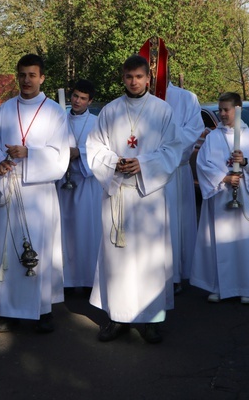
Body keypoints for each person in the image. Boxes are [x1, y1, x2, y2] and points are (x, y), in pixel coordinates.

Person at [86, 54, 182, 343]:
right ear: (123, 78)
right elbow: (94, 147)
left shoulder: (162, 111)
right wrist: (114, 162)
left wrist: (143, 163)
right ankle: (117, 317)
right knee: (119, 261)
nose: (134, 82)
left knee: (149, 258)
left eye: (139, 77)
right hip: (118, 196)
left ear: (148, 78)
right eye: (129, 77)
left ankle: (151, 319)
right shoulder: (110, 111)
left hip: (148, 199)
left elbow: (173, 150)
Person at [0, 54, 70, 333]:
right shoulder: (5, 110)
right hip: (11, 187)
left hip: (40, 193)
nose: (26, 80)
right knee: (9, 250)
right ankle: (8, 311)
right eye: (22, 75)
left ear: (42, 77)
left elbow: (61, 157)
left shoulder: (54, 113)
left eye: (32, 75)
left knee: (41, 249)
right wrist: (0, 162)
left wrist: (29, 153)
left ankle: (43, 311)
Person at [190, 92, 249, 304]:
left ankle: (247, 287)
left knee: (245, 241)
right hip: (220, 196)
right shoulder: (213, 138)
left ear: (238, 109)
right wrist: (224, 177)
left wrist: (245, 163)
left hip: (244, 195)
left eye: (227, 109)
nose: (222, 114)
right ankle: (217, 285)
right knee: (219, 240)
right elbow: (202, 165)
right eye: (220, 110)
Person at [56, 79, 102, 292]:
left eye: (83, 98)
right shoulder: (59, 120)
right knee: (63, 232)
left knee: (85, 231)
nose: (77, 101)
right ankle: (64, 280)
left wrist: (79, 153)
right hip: (61, 182)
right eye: (75, 96)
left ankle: (85, 280)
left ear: (90, 101)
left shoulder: (97, 122)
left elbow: (102, 150)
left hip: (86, 182)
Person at [165, 81, 204, 295]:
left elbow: (194, 130)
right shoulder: (138, 98)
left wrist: (166, 146)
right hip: (144, 171)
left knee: (175, 224)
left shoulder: (186, 97)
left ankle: (175, 274)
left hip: (175, 172)